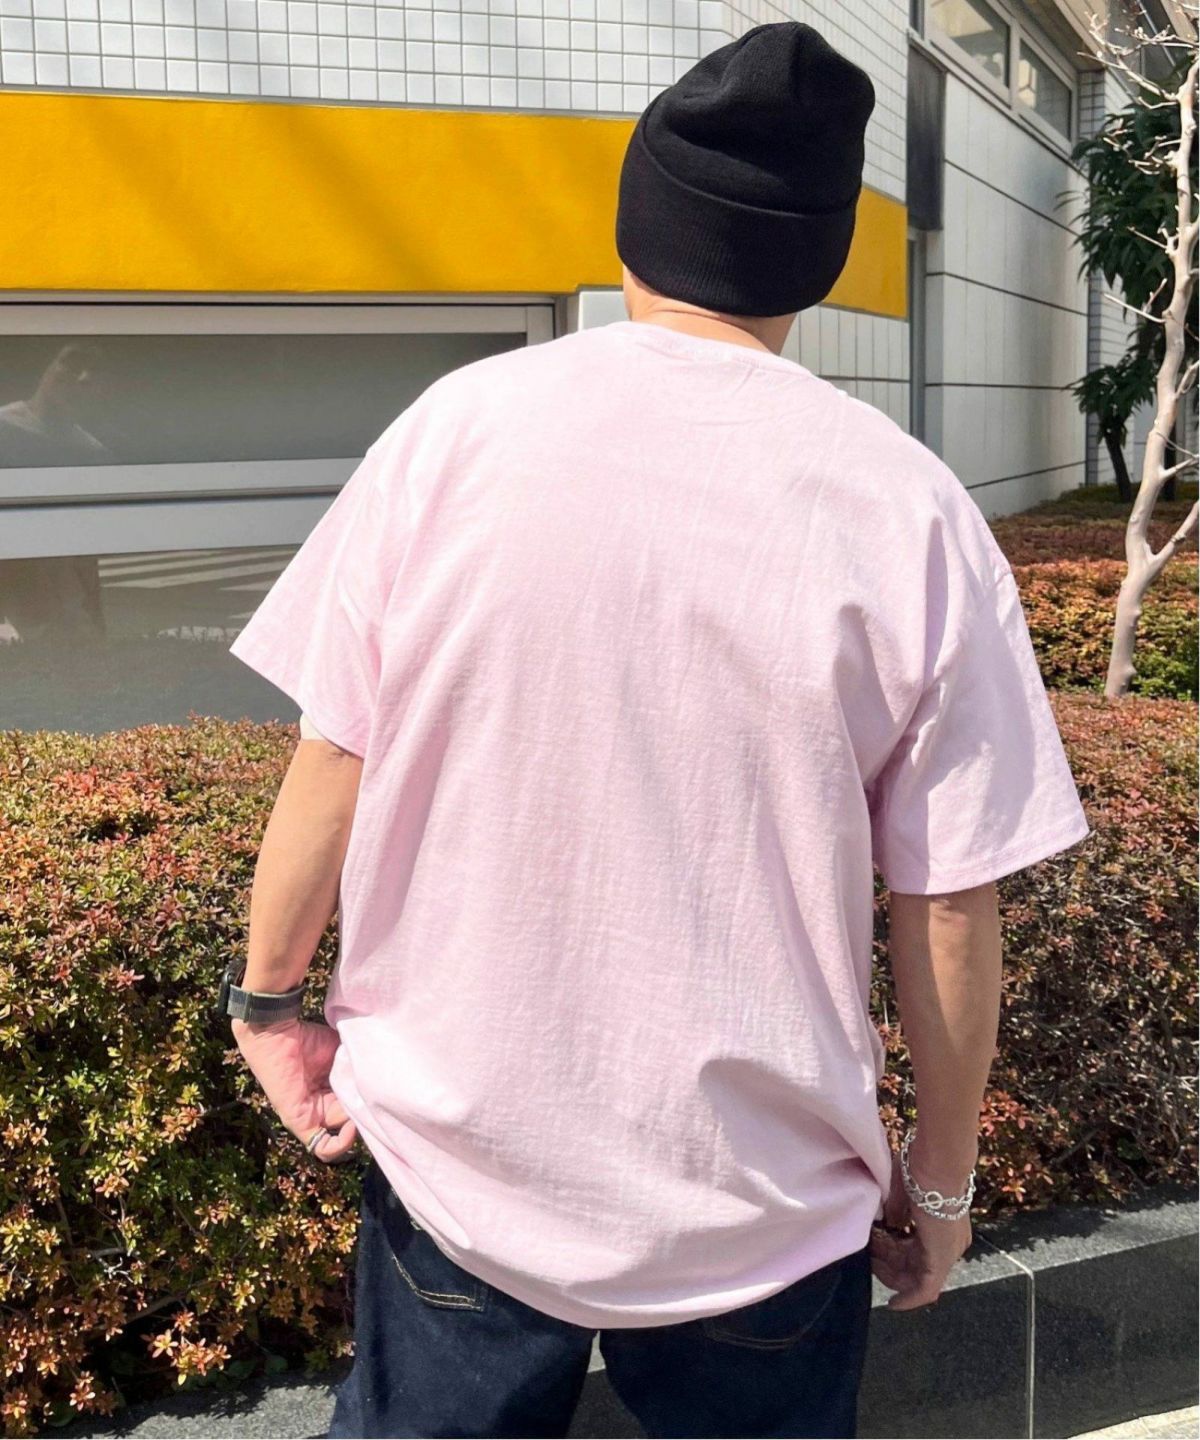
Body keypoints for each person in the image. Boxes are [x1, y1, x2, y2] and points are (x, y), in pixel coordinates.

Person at [222, 20, 1092, 1440]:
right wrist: (940, 1183)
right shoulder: (909, 506)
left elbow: (338, 755)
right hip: (763, 1202)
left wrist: (270, 1004)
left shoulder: (453, 433)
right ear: (816, 265)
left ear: (636, 227)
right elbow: (948, 898)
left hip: (463, 1165)